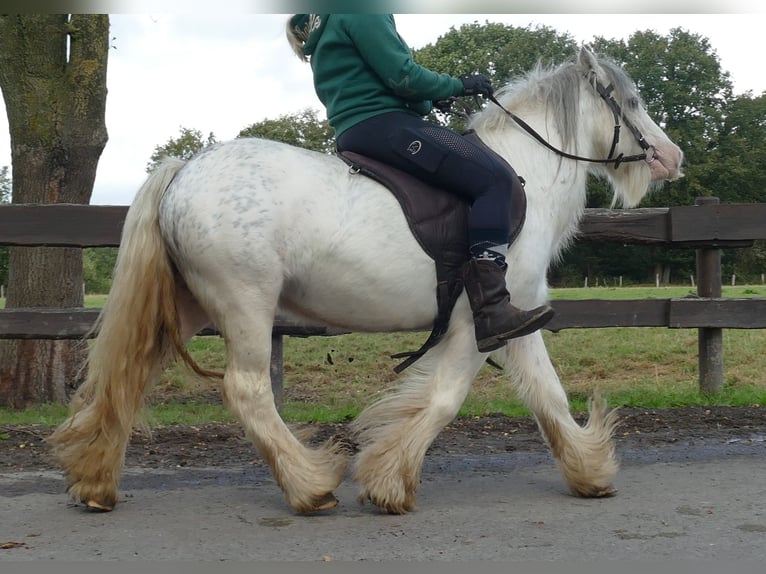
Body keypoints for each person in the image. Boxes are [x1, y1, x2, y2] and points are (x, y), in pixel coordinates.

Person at [286, 14, 553, 353]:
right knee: (496, 180)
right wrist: (459, 85)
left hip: (358, 129)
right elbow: (403, 76)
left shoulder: (327, 18)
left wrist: (429, 100)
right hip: (386, 125)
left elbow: (382, 81)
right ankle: (492, 308)